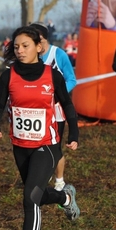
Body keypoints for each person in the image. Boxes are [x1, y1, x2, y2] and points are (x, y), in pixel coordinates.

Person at [0, 26, 79, 230]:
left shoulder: (52, 75)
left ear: (38, 47)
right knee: (36, 192)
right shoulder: (8, 75)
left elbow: (68, 106)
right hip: (20, 145)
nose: (19, 50)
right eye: (16, 46)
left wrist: (74, 133)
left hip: (47, 145)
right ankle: (65, 198)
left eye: (25, 46)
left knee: (30, 198)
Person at [30, 22, 77, 192]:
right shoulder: (30, 56)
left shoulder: (59, 54)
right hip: (36, 111)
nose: (37, 44)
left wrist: (57, 95)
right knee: (37, 146)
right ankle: (44, 172)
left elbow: (72, 79)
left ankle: (59, 181)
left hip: (56, 110)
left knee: (54, 146)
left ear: (45, 38)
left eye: (39, 40)